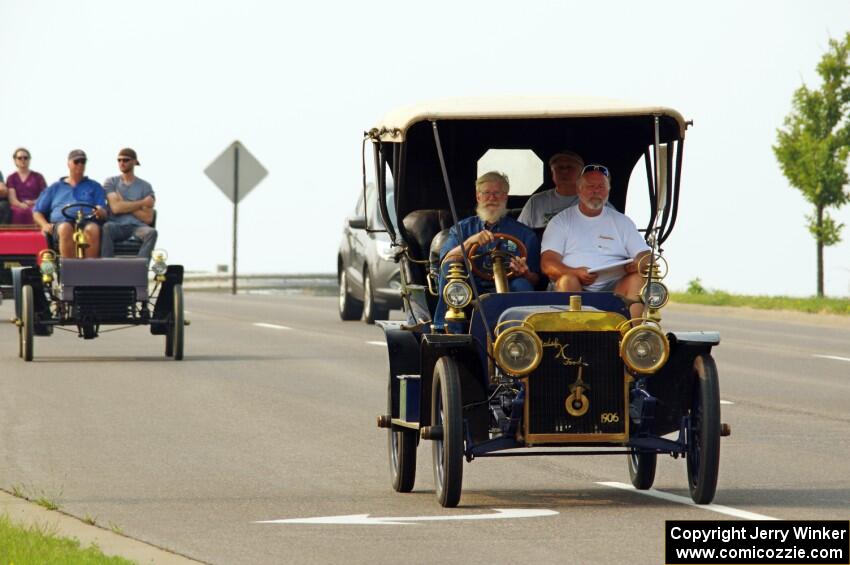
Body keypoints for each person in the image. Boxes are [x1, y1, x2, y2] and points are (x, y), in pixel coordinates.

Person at [433, 171, 541, 330]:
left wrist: (524, 273)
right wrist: (471, 241)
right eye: (487, 193)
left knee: (523, 284)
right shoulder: (462, 228)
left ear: (505, 197)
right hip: (472, 283)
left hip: (510, 284)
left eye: (497, 193)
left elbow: (536, 280)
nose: (492, 198)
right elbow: (447, 260)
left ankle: (522, 332)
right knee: (451, 270)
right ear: (478, 197)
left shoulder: (525, 234)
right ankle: (447, 329)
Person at [540, 164, 650, 318]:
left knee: (638, 279)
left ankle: (632, 337)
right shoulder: (561, 221)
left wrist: (638, 263)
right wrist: (575, 272)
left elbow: (646, 255)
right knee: (567, 280)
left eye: (601, 186)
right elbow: (547, 264)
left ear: (608, 190)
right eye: (590, 186)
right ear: (579, 189)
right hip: (574, 286)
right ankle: (573, 336)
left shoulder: (622, 222)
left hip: (614, 288)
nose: (596, 191)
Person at [33, 150, 107, 258]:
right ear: (68, 164)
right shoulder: (55, 187)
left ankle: (91, 269)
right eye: (77, 161)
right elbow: (37, 212)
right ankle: (69, 270)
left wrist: (100, 211)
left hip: (87, 221)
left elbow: (103, 211)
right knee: (65, 228)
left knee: (93, 229)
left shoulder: (95, 186)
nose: (80, 164)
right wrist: (44, 224)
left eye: (83, 161)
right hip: (60, 224)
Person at [101, 148, 157, 258]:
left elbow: (148, 218)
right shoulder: (111, 182)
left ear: (135, 162)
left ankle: (140, 269)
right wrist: (142, 203)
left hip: (137, 227)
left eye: (126, 160)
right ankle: (106, 268)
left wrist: (123, 203)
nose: (122, 163)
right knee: (107, 227)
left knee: (151, 233)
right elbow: (116, 208)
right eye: (119, 160)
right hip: (117, 226)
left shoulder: (146, 186)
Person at [518, 150, 584, 228]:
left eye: (570, 167)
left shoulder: (593, 199)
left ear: (581, 173)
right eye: (559, 167)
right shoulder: (536, 202)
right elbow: (519, 234)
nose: (564, 171)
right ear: (552, 174)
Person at [6, 147, 47, 225]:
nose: (23, 160)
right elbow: (12, 198)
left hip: (36, 205)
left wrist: (33, 202)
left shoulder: (38, 177)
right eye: (19, 158)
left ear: (29, 159)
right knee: (17, 212)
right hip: (17, 206)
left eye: (25, 158)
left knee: (37, 212)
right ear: (15, 160)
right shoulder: (11, 178)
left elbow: (44, 195)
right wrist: (20, 205)